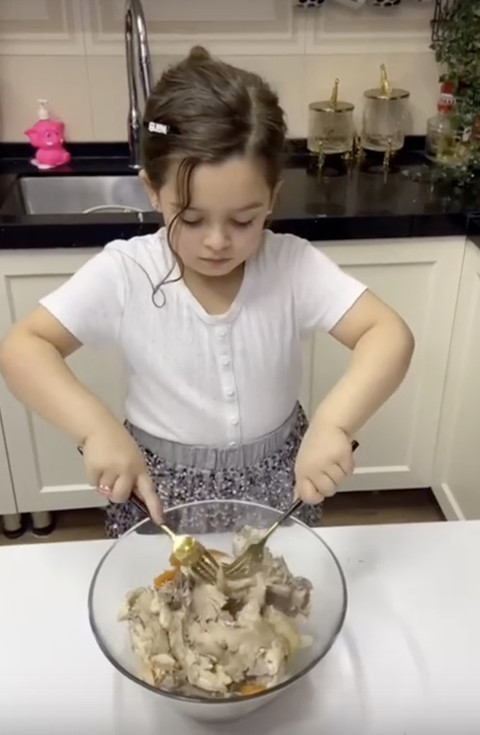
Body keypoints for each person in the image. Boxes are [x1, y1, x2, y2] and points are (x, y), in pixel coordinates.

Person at [0, 47, 414, 538]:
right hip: (159, 485)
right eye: (191, 218)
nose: (217, 242)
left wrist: (335, 424)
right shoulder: (127, 271)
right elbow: (24, 347)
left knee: (273, 583)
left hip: (277, 480)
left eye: (243, 220)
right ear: (153, 190)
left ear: (272, 197)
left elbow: (388, 333)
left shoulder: (291, 264)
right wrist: (95, 430)